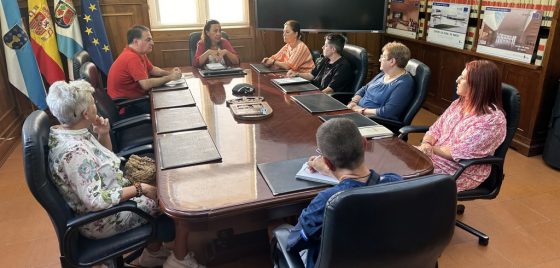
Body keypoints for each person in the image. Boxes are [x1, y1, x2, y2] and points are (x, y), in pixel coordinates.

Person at [46, 80, 204, 268]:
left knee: (163, 183)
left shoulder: (70, 132)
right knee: (177, 201)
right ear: (85, 113)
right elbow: (95, 200)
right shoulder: (74, 153)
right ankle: (180, 260)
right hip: (103, 219)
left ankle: (153, 254)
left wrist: (103, 134)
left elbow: (102, 164)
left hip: (108, 199)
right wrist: (140, 189)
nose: (95, 104)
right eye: (92, 102)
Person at [284, 118, 402, 267]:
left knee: (279, 231)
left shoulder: (327, 201)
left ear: (327, 162)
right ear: (365, 144)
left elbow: (293, 244)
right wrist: (331, 172)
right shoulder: (395, 182)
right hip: (385, 260)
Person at [415, 60, 506, 192]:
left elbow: (458, 152)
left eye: (462, 78)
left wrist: (431, 149)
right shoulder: (459, 104)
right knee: (397, 164)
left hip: (460, 171)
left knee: (401, 182)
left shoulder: (492, 120)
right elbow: (436, 128)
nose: (457, 80)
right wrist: (427, 143)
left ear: (477, 85)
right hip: (434, 158)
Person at [107, 25, 182, 107]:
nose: (152, 43)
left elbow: (152, 69)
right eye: (148, 40)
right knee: (168, 104)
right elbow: (146, 84)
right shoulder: (131, 57)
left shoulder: (139, 53)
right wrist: (170, 78)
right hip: (127, 106)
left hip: (136, 100)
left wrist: (169, 73)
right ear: (136, 42)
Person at [347, 41, 414, 121]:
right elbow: (365, 88)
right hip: (357, 112)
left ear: (392, 61)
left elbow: (388, 111)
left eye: (383, 57)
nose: (379, 60)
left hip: (373, 120)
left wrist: (361, 110)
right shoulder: (383, 74)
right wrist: (354, 102)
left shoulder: (404, 84)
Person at [286, 33, 354, 94]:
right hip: (315, 92)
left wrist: (311, 95)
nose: (322, 47)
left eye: (326, 45)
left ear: (333, 49)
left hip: (327, 100)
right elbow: (311, 75)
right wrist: (296, 74)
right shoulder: (325, 60)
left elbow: (329, 90)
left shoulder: (343, 67)